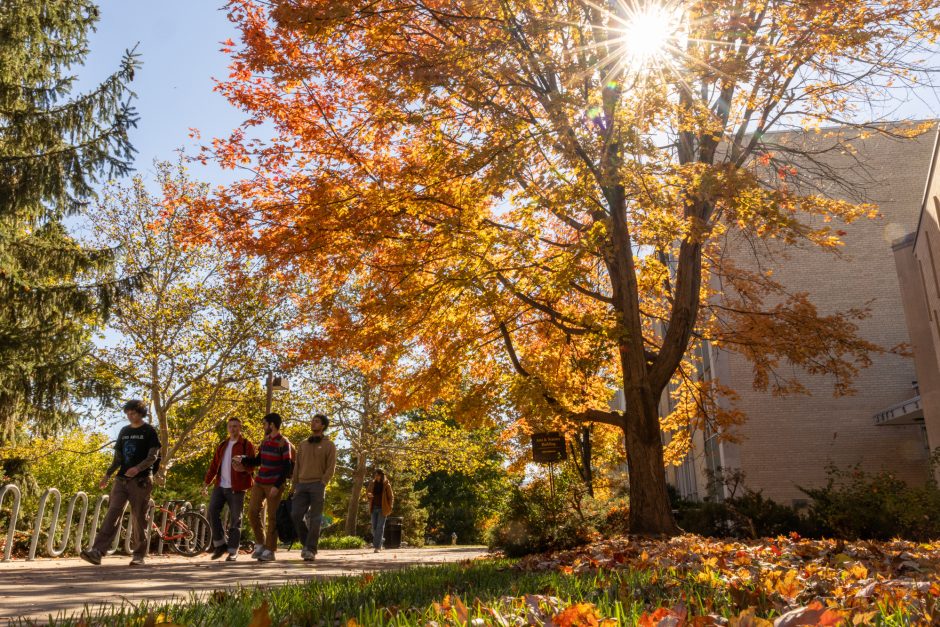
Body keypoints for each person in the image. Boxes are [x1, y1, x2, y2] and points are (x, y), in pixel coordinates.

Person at [80, 400, 161, 566]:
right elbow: (118, 457)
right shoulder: (124, 431)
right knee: (112, 514)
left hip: (141, 480)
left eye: (133, 413)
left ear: (140, 413)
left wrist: (137, 469)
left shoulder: (149, 431)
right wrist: (107, 475)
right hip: (121, 480)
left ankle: (138, 555)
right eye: (128, 414)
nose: (130, 416)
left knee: (139, 516)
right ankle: (97, 552)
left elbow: (153, 456)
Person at [236, 412, 292, 562]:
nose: (263, 426)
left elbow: (287, 467)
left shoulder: (283, 442)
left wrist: (277, 485)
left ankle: (270, 550)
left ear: (272, 425)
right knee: (252, 512)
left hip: (274, 484)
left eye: (264, 424)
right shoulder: (265, 441)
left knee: (273, 517)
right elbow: (258, 460)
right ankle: (260, 544)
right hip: (260, 482)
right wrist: (243, 460)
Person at [202, 417, 255, 561]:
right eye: (231, 426)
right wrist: (206, 483)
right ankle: (220, 545)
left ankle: (233, 551)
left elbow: (253, 465)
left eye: (236, 426)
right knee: (213, 511)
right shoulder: (222, 445)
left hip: (237, 487)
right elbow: (214, 466)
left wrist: (243, 467)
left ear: (240, 428)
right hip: (220, 485)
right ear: (228, 428)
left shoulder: (246, 445)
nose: (233, 429)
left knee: (236, 520)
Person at [290, 413, 336, 562]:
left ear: (323, 426)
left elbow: (331, 466)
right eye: (312, 421)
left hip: (318, 484)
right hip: (301, 485)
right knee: (296, 514)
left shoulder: (329, 445)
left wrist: (323, 481)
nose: (313, 423)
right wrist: (294, 484)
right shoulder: (303, 444)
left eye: (317, 422)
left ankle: (311, 550)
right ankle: (306, 544)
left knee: (316, 519)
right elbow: (297, 465)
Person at [367, 468, 394, 553]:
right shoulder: (372, 483)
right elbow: (367, 492)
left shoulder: (386, 484)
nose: (376, 476)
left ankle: (377, 547)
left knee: (380, 527)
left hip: (383, 508)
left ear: (381, 475)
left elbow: (391, 497)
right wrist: (368, 495)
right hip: (373, 507)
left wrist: (390, 507)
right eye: (375, 475)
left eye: (377, 475)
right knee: (374, 528)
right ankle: (381, 542)